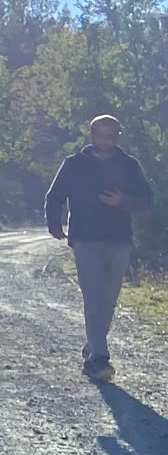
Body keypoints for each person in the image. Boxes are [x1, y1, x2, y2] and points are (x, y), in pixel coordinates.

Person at [45, 114, 153, 381]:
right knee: (93, 295)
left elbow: (147, 201)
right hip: (85, 238)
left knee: (108, 299)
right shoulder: (74, 164)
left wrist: (123, 200)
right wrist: (54, 225)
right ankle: (100, 358)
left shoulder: (129, 165)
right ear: (91, 136)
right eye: (101, 135)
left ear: (118, 136)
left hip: (120, 240)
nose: (106, 141)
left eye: (111, 135)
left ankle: (93, 344)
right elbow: (54, 196)